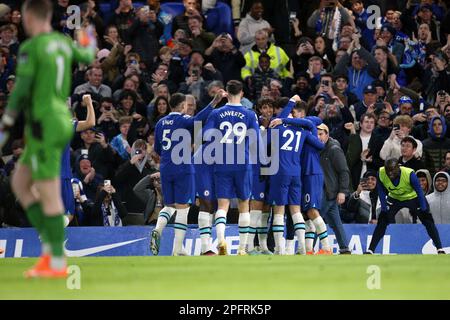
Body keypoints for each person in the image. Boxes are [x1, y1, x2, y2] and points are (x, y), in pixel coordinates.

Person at [0, 0, 95, 277]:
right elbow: (88, 54)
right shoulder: (62, 43)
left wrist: (6, 124)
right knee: (20, 181)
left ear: (29, 17)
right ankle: (53, 251)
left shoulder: (32, 47)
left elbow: (20, 91)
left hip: (46, 121)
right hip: (57, 120)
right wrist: (86, 30)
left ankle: (53, 258)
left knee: (47, 190)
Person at [150, 92, 222, 256]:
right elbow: (201, 118)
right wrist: (214, 102)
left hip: (166, 167)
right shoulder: (183, 120)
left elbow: (157, 150)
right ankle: (176, 250)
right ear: (182, 106)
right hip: (183, 167)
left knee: (169, 206)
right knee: (183, 209)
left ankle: (158, 229)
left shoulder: (160, 123)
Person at [202, 80, 261, 255]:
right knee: (244, 204)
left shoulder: (217, 113)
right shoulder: (250, 114)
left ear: (226, 93)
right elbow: (256, 139)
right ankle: (242, 248)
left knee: (222, 204)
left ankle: (221, 240)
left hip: (222, 162)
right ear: (241, 93)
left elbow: (206, 135)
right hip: (243, 163)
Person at [365, 158, 446, 254]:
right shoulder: (381, 173)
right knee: (382, 220)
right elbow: (381, 191)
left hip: (412, 197)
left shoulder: (409, 174)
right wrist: (384, 207)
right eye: (388, 170)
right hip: (394, 198)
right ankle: (370, 250)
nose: (390, 173)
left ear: (398, 167)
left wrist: (423, 208)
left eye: (392, 170)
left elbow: (419, 191)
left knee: (427, 220)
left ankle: (439, 248)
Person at [318, 123, 351, 254]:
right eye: (316, 134)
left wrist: (343, 191)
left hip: (329, 191)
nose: (318, 137)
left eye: (321, 134)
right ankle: (344, 248)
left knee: (316, 219)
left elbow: (344, 171)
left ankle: (309, 249)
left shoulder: (334, 149)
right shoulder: (320, 148)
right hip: (327, 190)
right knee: (336, 223)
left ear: (327, 134)